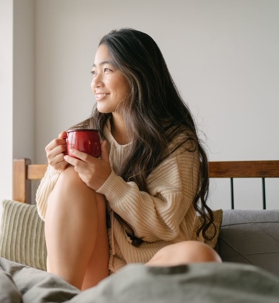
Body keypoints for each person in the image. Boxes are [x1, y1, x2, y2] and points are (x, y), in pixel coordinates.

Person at [35, 28, 221, 291]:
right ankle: (59, 296)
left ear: (138, 75)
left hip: (148, 275)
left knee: (200, 255)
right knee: (73, 176)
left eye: (107, 70)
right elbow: (48, 213)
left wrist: (108, 182)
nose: (95, 82)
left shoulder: (177, 142)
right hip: (95, 277)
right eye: (93, 72)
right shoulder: (87, 135)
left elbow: (165, 224)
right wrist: (56, 170)